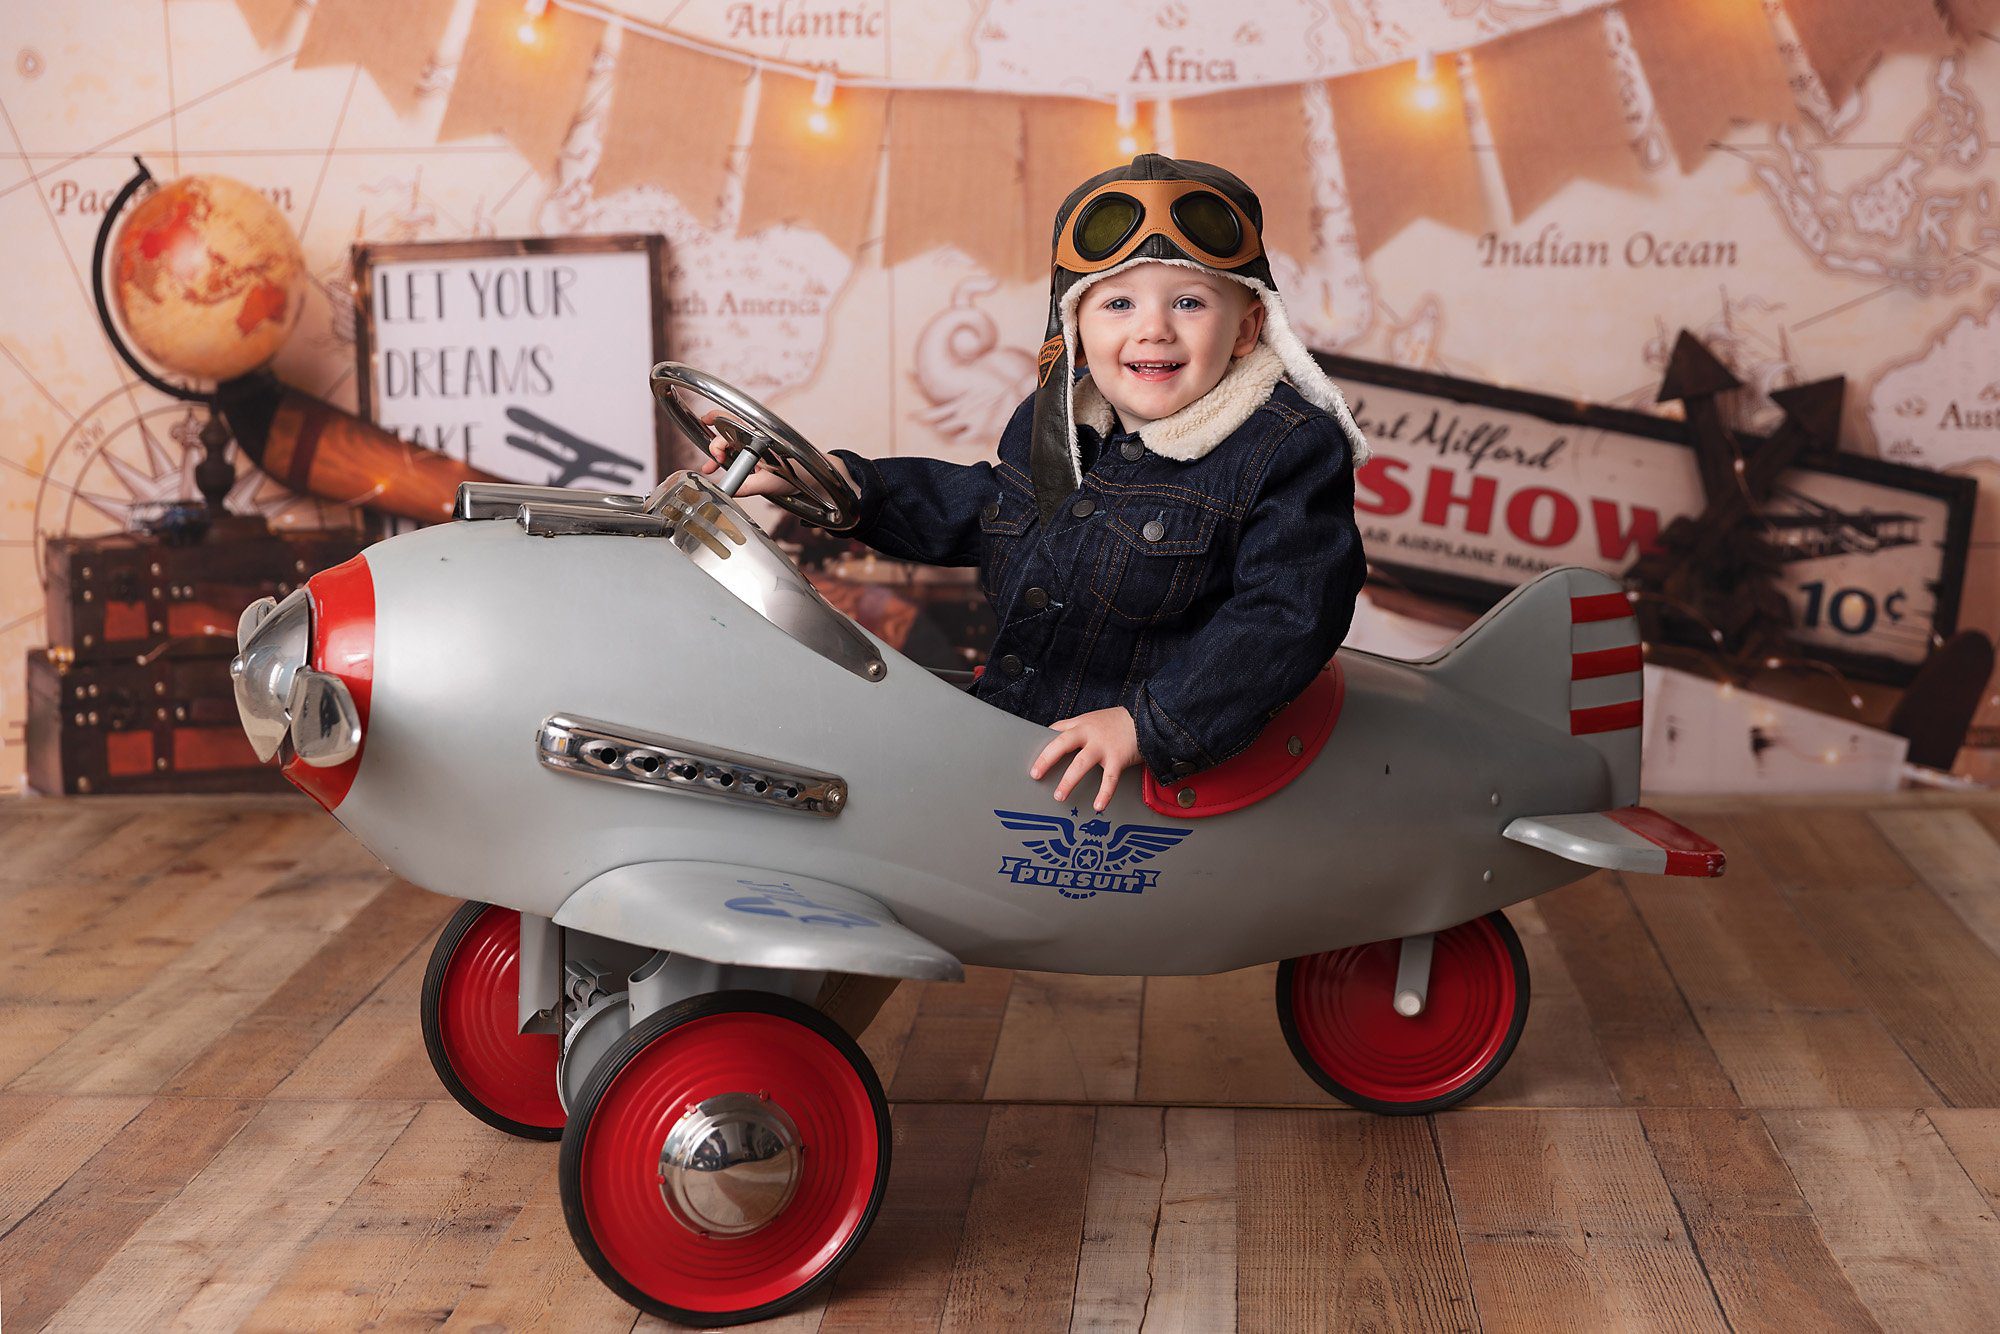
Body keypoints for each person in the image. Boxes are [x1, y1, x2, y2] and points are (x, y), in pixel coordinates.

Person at [704, 153, 1370, 812]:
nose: (1153, 328)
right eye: (1118, 302)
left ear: (1247, 329)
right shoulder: (1057, 423)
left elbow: (1288, 615)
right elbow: (988, 508)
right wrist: (847, 485)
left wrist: (1148, 723)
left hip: (1136, 780)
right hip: (1012, 729)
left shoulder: (1287, 448)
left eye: (1190, 301)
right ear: (1074, 325)